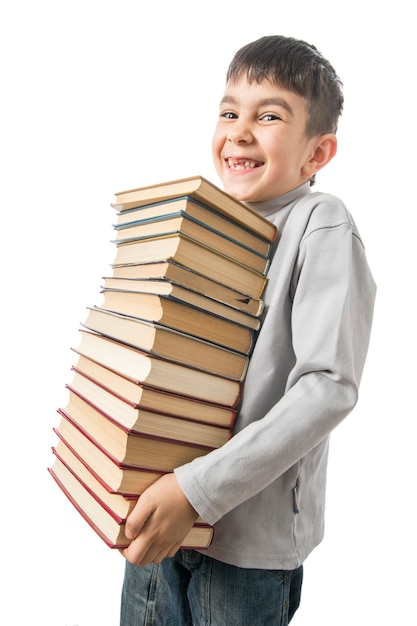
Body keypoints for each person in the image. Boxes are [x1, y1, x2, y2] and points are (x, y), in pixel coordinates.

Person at [120, 34, 376, 625]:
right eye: (229, 111)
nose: (238, 131)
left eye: (268, 117)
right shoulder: (205, 218)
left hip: (244, 546)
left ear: (318, 153)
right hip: (159, 519)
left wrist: (196, 491)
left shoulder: (322, 222)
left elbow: (328, 387)